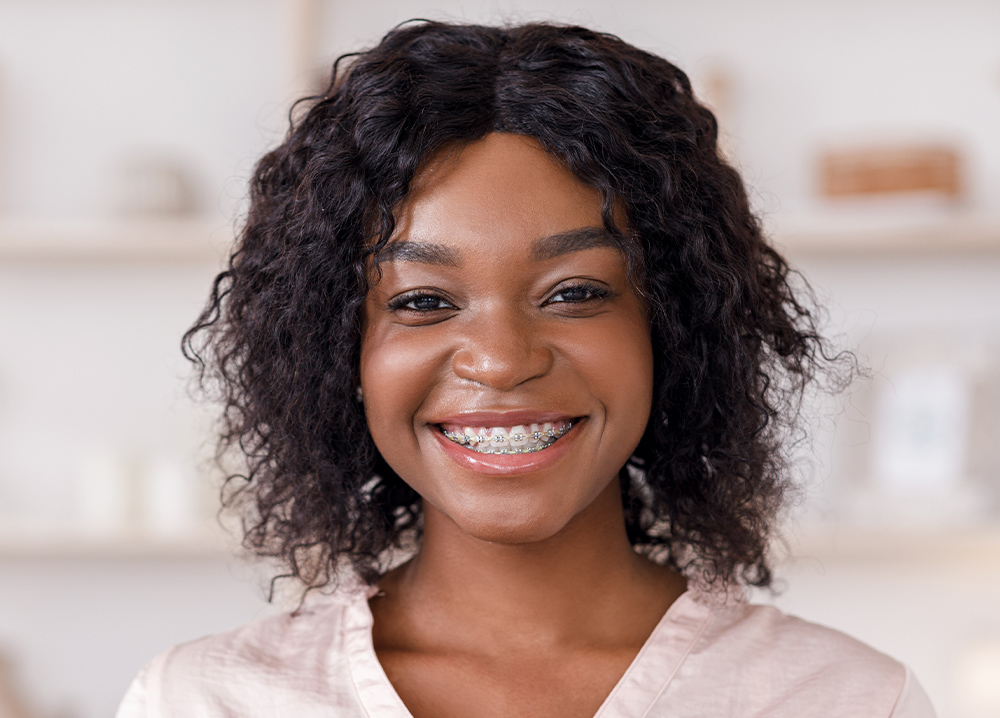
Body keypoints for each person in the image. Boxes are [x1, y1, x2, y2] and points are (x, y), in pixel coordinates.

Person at [116, 20, 935, 718]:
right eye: (423, 301)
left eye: (574, 292)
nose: (502, 361)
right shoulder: (207, 701)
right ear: (340, 351)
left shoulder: (845, 700)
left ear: (671, 329)